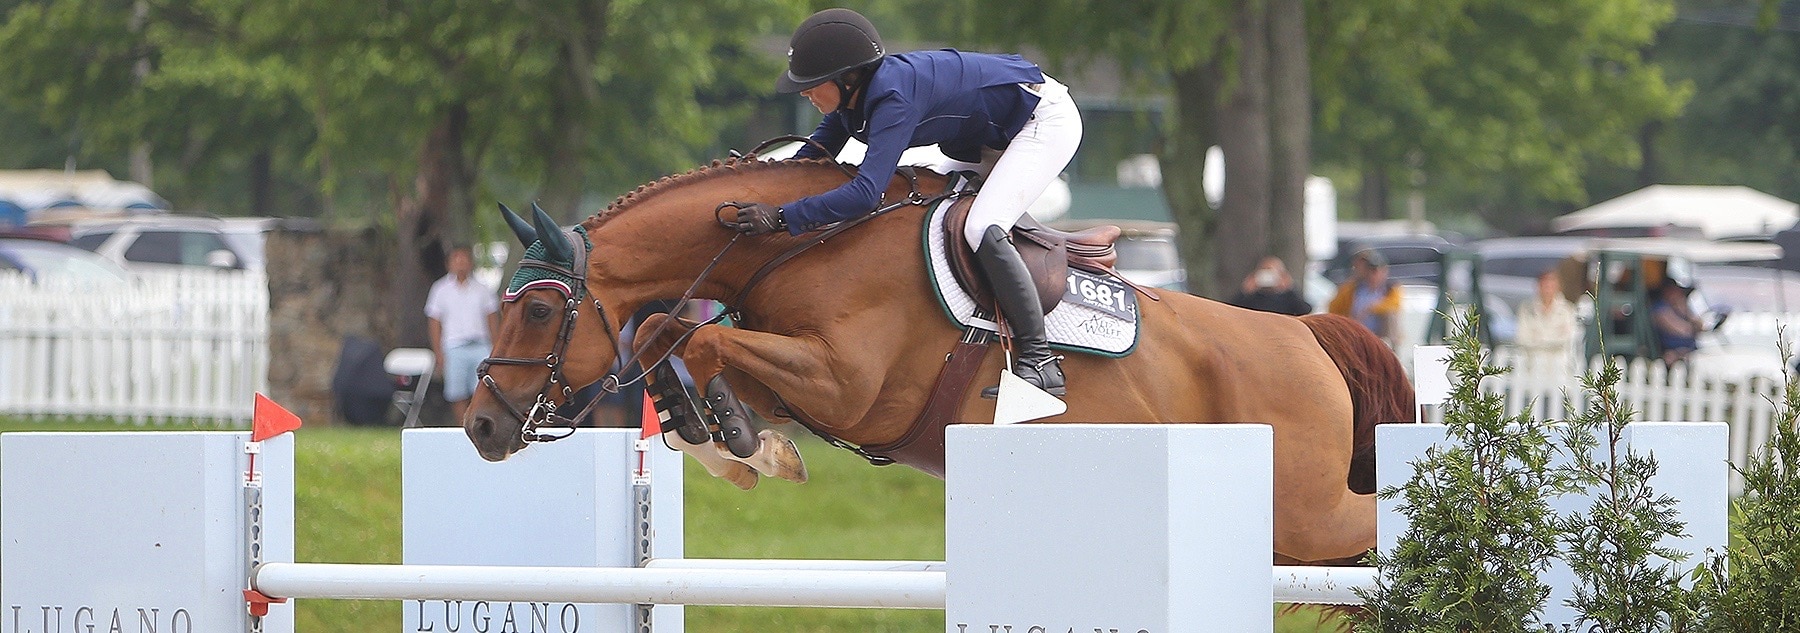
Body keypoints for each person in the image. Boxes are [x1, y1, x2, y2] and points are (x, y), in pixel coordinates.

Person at [725, 8, 1081, 399]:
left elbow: (864, 195)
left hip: (1041, 121)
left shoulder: (893, 98)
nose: (805, 93)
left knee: (981, 226)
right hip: (985, 137)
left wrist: (780, 217)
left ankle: (1040, 361)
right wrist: (756, 190)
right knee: (915, 192)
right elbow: (811, 161)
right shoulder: (850, 102)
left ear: (847, 78)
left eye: (812, 84)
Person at [426, 245, 499, 421]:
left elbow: (492, 319)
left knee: (482, 391)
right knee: (456, 392)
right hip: (454, 346)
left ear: (471, 263)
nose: (460, 264)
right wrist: (438, 352)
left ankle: (479, 427)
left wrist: (495, 348)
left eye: (464, 259)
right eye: (456, 259)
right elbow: (435, 323)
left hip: (480, 345)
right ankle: (462, 428)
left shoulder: (482, 289)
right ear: (449, 264)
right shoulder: (440, 289)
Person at [1513, 268, 1580, 378]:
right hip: (1532, 368)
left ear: (1558, 287)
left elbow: (1567, 339)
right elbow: (1522, 338)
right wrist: (1551, 339)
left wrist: (1539, 339)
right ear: (1538, 286)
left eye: (1551, 285)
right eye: (1544, 285)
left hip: (1559, 369)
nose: (1547, 289)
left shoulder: (1567, 310)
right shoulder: (1526, 309)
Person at [1328, 250, 1404, 345]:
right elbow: (1334, 309)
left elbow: (1394, 305)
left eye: (1376, 270)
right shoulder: (1352, 289)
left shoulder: (1390, 289)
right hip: (1356, 334)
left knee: (1389, 316)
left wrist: (1370, 308)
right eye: (1370, 270)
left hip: (1381, 337)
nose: (1373, 274)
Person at [1228, 256, 1312, 316]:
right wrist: (1245, 291)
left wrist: (1290, 288)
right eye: (1264, 272)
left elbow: (1305, 310)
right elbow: (1231, 310)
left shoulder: (1287, 297)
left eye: (1271, 273)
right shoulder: (1251, 298)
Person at [1650, 279, 1704, 364]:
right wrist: (1694, 328)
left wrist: (1684, 310)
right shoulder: (1660, 308)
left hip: (1690, 349)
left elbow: (1700, 325)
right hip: (1670, 351)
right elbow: (1683, 330)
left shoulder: (1678, 306)